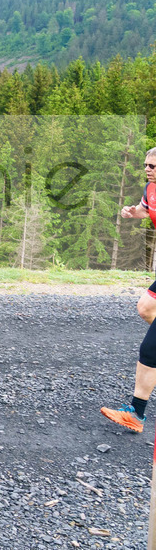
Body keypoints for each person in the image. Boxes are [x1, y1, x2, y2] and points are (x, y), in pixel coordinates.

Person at [102, 148, 156, 433]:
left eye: (153, 166)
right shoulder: (150, 189)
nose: (148, 169)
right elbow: (147, 209)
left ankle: (136, 413)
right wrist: (133, 212)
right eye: (146, 165)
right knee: (146, 308)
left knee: (150, 349)